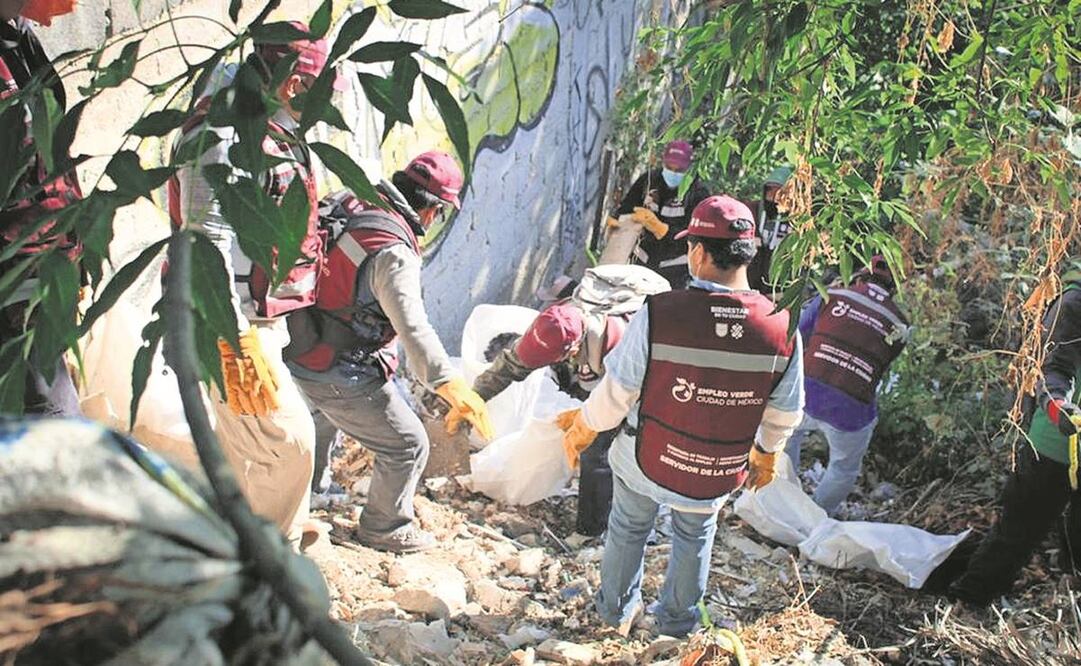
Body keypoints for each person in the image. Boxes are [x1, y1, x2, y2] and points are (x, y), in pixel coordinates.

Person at [556, 195, 804, 637]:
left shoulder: (660, 311)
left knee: (630, 526)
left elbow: (618, 393)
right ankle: (675, 625)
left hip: (650, 457)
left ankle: (614, 615)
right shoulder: (783, 324)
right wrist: (767, 452)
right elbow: (784, 412)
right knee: (695, 535)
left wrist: (583, 426)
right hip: (715, 469)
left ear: (698, 252)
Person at [166, 24, 338, 542]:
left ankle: (261, 540)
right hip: (225, 320)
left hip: (257, 316)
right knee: (290, 443)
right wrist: (232, 336)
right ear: (293, 84)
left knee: (252, 443)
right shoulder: (219, 137)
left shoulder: (267, 127)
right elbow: (204, 241)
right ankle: (269, 563)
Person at [283, 153, 494, 554]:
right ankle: (385, 527)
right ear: (432, 211)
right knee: (408, 444)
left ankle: (311, 490)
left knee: (321, 416)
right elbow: (412, 327)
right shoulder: (393, 251)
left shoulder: (350, 199)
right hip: (337, 364)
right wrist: (448, 383)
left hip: (299, 340)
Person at [459, 265, 669, 536]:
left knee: (597, 452)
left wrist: (588, 422)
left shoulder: (621, 343)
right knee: (582, 407)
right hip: (593, 363)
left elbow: (624, 397)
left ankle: (592, 530)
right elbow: (511, 366)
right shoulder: (553, 325)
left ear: (572, 348)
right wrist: (472, 399)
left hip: (644, 382)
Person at [949, 267, 1081, 605]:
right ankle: (969, 601)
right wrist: (1059, 409)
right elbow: (1052, 369)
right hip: (1054, 444)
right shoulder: (1074, 302)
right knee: (1016, 533)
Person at [0, 0, 82, 415]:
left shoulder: (19, 37)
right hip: (13, 274)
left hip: (46, 260)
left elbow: (50, 153)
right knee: (53, 425)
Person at [785, 256, 910, 516]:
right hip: (851, 408)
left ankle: (783, 500)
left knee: (787, 434)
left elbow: (796, 334)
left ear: (859, 276)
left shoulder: (833, 294)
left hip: (807, 390)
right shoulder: (901, 324)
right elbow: (880, 366)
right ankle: (816, 518)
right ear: (894, 289)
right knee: (844, 468)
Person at [610, 140, 710, 286]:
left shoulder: (697, 193)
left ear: (689, 168)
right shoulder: (649, 181)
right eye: (669, 167)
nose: (673, 173)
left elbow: (696, 237)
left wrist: (662, 230)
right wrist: (615, 223)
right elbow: (626, 207)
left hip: (675, 270)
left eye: (679, 170)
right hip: (642, 262)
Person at [745, 166, 794, 297]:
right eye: (770, 191)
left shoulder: (794, 219)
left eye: (779, 192)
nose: (773, 197)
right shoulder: (751, 211)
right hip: (750, 281)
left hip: (777, 287)